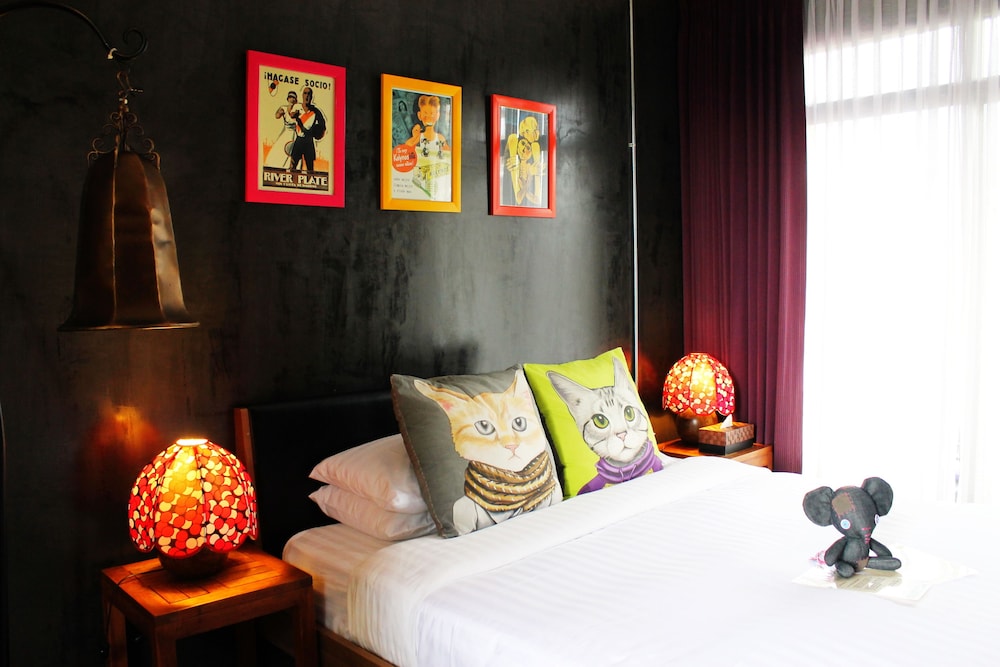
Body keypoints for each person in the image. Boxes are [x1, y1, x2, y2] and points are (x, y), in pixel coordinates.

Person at [289, 86, 327, 172]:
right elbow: (291, 114)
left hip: (309, 141)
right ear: (302, 95)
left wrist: (318, 133)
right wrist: (295, 115)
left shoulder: (315, 111)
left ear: (311, 97)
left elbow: (323, 125)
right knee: (293, 165)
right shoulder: (297, 107)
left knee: (310, 168)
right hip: (299, 140)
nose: (307, 96)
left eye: (309, 94)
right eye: (305, 93)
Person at [264, 90, 301, 169]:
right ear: (288, 99)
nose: (292, 99)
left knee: (293, 152)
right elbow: (277, 116)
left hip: (294, 134)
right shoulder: (284, 108)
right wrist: (281, 111)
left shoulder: (297, 110)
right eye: (290, 98)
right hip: (286, 133)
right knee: (280, 149)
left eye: (293, 98)